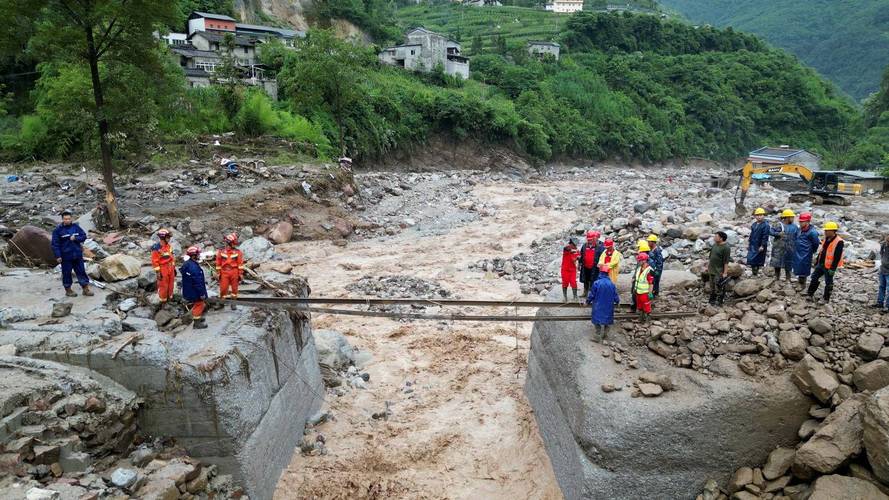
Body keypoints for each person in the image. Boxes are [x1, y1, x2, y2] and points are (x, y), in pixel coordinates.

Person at [51, 210, 93, 297]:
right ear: (62, 219)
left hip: (77, 254)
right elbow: (55, 244)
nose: (67, 220)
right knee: (66, 273)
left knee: (81, 271)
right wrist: (58, 256)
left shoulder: (76, 227)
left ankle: (85, 289)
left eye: (69, 219)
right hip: (66, 256)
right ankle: (68, 290)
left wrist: (76, 238)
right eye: (65, 219)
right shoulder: (58, 230)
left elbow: (83, 236)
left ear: (71, 219)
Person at [806, 222, 844, 303]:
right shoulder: (826, 238)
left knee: (829, 282)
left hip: (829, 266)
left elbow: (837, 257)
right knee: (814, 278)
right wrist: (817, 259)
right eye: (825, 230)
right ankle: (810, 294)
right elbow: (822, 250)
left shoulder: (839, 241)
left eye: (827, 230)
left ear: (833, 231)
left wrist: (833, 268)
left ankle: (826, 299)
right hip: (821, 263)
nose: (825, 232)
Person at [587, 263, 620, 341]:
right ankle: (605, 335)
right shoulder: (611, 284)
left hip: (598, 305)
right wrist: (617, 302)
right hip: (608, 306)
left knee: (597, 320)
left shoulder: (596, 283)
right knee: (607, 320)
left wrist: (587, 301)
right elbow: (615, 295)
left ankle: (597, 335)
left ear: (600, 272)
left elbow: (592, 295)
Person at [180, 246, 208, 329]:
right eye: (197, 254)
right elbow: (197, 282)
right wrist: (202, 293)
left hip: (188, 289)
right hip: (194, 291)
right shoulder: (194, 267)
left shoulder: (187, 264)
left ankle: (198, 317)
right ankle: (197, 323)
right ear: (193, 256)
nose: (199, 255)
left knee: (197, 304)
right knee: (199, 304)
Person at [216, 233, 244, 309]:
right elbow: (218, 263)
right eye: (233, 243)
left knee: (234, 289)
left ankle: (233, 303)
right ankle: (221, 303)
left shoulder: (238, 252)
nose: (235, 245)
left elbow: (240, 264)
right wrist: (218, 273)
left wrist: (240, 274)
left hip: (234, 272)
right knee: (223, 289)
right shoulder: (221, 251)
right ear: (230, 243)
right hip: (224, 272)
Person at [793, 212, 821, 288]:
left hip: (806, 253)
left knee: (804, 268)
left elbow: (816, 243)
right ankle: (799, 281)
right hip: (798, 251)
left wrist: (812, 251)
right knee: (798, 267)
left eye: (802, 222)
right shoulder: (800, 229)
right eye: (800, 221)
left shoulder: (813, 232)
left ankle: (802, 284)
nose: (800, 223)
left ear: (808, 222)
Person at [770, 209, 798, 281]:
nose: (793, 218)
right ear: (787, 218)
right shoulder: (779, 225)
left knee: (788, 263)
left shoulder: (794, 227)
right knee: (777, 262)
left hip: (790, 248)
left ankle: (788, 278)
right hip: (778, 248)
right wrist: (778, 234)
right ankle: (777, 277)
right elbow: (771, 231)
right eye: (792, 217)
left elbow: (797, 237)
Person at [151, 229, 176, 305]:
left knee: (171, 284)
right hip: (163, 269)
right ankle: (163, 301)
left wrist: (174, 268)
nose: (169, 238)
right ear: (163, 238)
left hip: (170, 268)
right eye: (168, 237)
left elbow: (172, 258)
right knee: (163, 285)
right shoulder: (156, 248)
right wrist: (158, 272)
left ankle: (169, 298)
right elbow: (155, 262)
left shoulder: (169, 246)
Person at [578, 230, 605, 296]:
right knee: (585, 280)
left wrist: (602, 267)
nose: (589, 241)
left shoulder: (600, 247)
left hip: (595, 268)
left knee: (594, 280)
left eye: (590, 240)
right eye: (588, 239)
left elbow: (603, 258)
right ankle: (585, 292)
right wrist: (579, 264)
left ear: (594, 239)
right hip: (585, 267)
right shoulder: (584, 246)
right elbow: (581, 255)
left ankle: (592, 294)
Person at [708, 231, 731, 306]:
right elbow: (711, 256)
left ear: (721, 238)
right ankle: (712, 299)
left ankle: (720, 300)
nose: (714, 238)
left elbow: (726, 261)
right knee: (712, 286)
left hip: (719, 270)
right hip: (711, 269)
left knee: (719, 286)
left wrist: (725, 272)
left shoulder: (726, 248)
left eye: (716, 236)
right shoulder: (715, 245)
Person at [747, 208, 770, 276]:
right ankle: (753, 272)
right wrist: (749, 243)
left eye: (761, 215)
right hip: (753, 244)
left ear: (763, 215)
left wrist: (762, 245)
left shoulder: (765, 225)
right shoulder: (754, 224)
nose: (759, 216)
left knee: (758, 259)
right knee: (751, 258)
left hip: (760, 244)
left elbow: (765, 236)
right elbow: (751, 234)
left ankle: (755, 272)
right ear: (755, 216)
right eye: (757, 215)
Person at [632, 253, 655, 322]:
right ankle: (641, 317)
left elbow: (651, 283)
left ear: (644, 260)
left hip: (645, 292)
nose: (639, 262)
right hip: (638, 291)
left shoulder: (649, 270)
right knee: (640, 306)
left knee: (646, 306)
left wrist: (650, 293)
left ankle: (647, 318)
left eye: (640, 260)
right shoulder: (639, 269)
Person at [630, 240, 650, 313]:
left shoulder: (643, 258)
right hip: (638, 282)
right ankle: (636, 308)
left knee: (638, 296)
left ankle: (636, 309)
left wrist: (634, 278)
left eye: (638, 247)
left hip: (641, 284)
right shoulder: (644, 257)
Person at [560, 238, 580, 302]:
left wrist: (578, 258)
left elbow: (579, 257)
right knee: (565, 282)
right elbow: (565, 248)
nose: (575, 246)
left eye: (575, 245)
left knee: (573, 282)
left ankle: (575, 296)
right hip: (565, 269)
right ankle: (565, 297)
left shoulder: (577, 250)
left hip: (572, 269)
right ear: (571, 244)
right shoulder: (567, 249)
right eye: (573, 245)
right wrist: (572, 250)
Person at [876, 234, 889, 312]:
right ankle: (880, 303)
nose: (887, 241)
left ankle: (887, 306)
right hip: (883, 269)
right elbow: (881, 253)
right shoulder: (884, 244)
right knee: (882, 286)